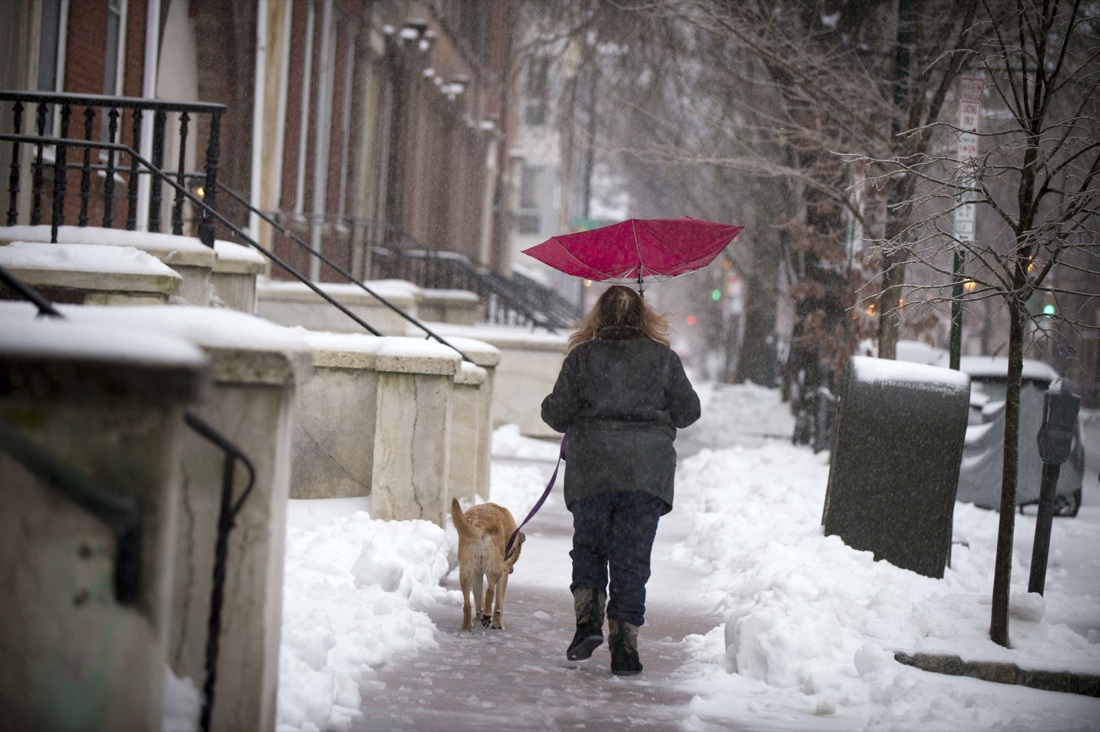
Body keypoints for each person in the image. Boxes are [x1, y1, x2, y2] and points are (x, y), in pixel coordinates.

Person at [540, 284, 701, 676]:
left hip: (593, 467)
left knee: (590, 547)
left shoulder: (582, 358)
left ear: (599, 316)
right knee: (632, 558)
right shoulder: (664, 360)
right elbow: (688, 411)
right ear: (643, 317)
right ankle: (625, 647)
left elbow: (555, 414)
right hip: (645, 473)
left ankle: (587, 623)